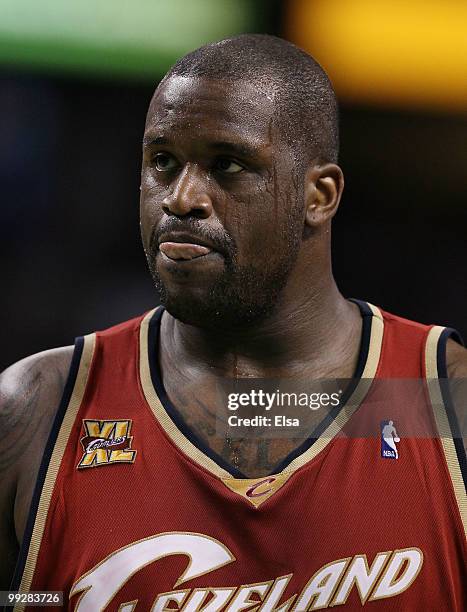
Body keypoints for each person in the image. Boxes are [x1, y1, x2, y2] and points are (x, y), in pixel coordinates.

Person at [0, 34, 465, 611]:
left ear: (319, 196)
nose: (182, 198)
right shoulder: (33, 413)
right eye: (162, 162)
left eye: (229, 165)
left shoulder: (446, 403)